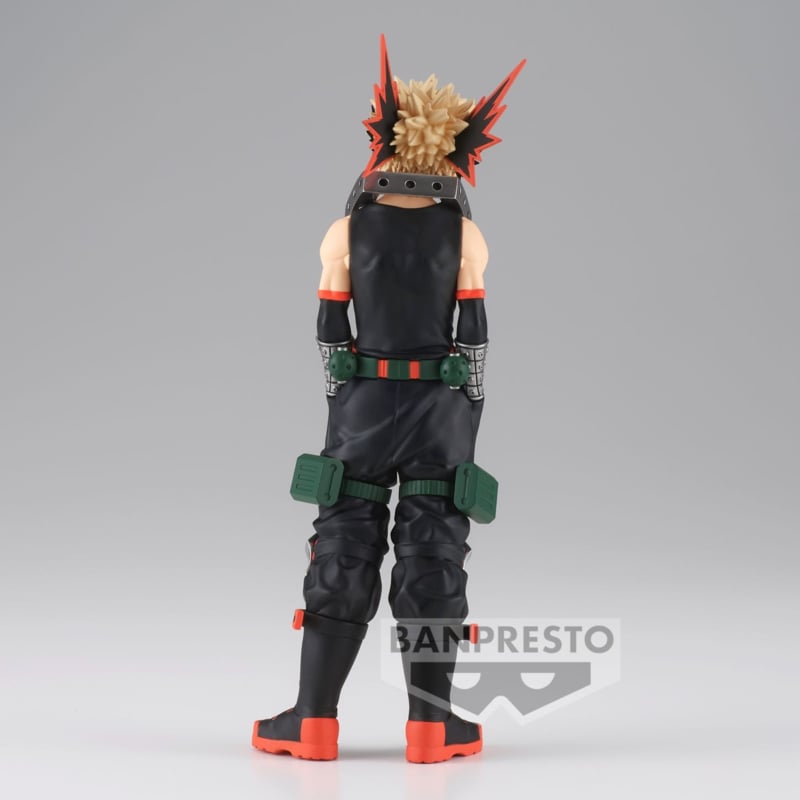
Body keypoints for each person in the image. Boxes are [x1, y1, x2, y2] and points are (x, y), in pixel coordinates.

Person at [252, 35, 524, 763]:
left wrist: (345, 389)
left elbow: (328, 328)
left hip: (364, 401)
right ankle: (431, 728)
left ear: (385, 142)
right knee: (435, 548)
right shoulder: (466, 235)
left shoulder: (344, 229)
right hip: (441, 404)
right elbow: (473, 335)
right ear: (456, 154)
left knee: (343, 542)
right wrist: (467, 398)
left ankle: (313, 720)